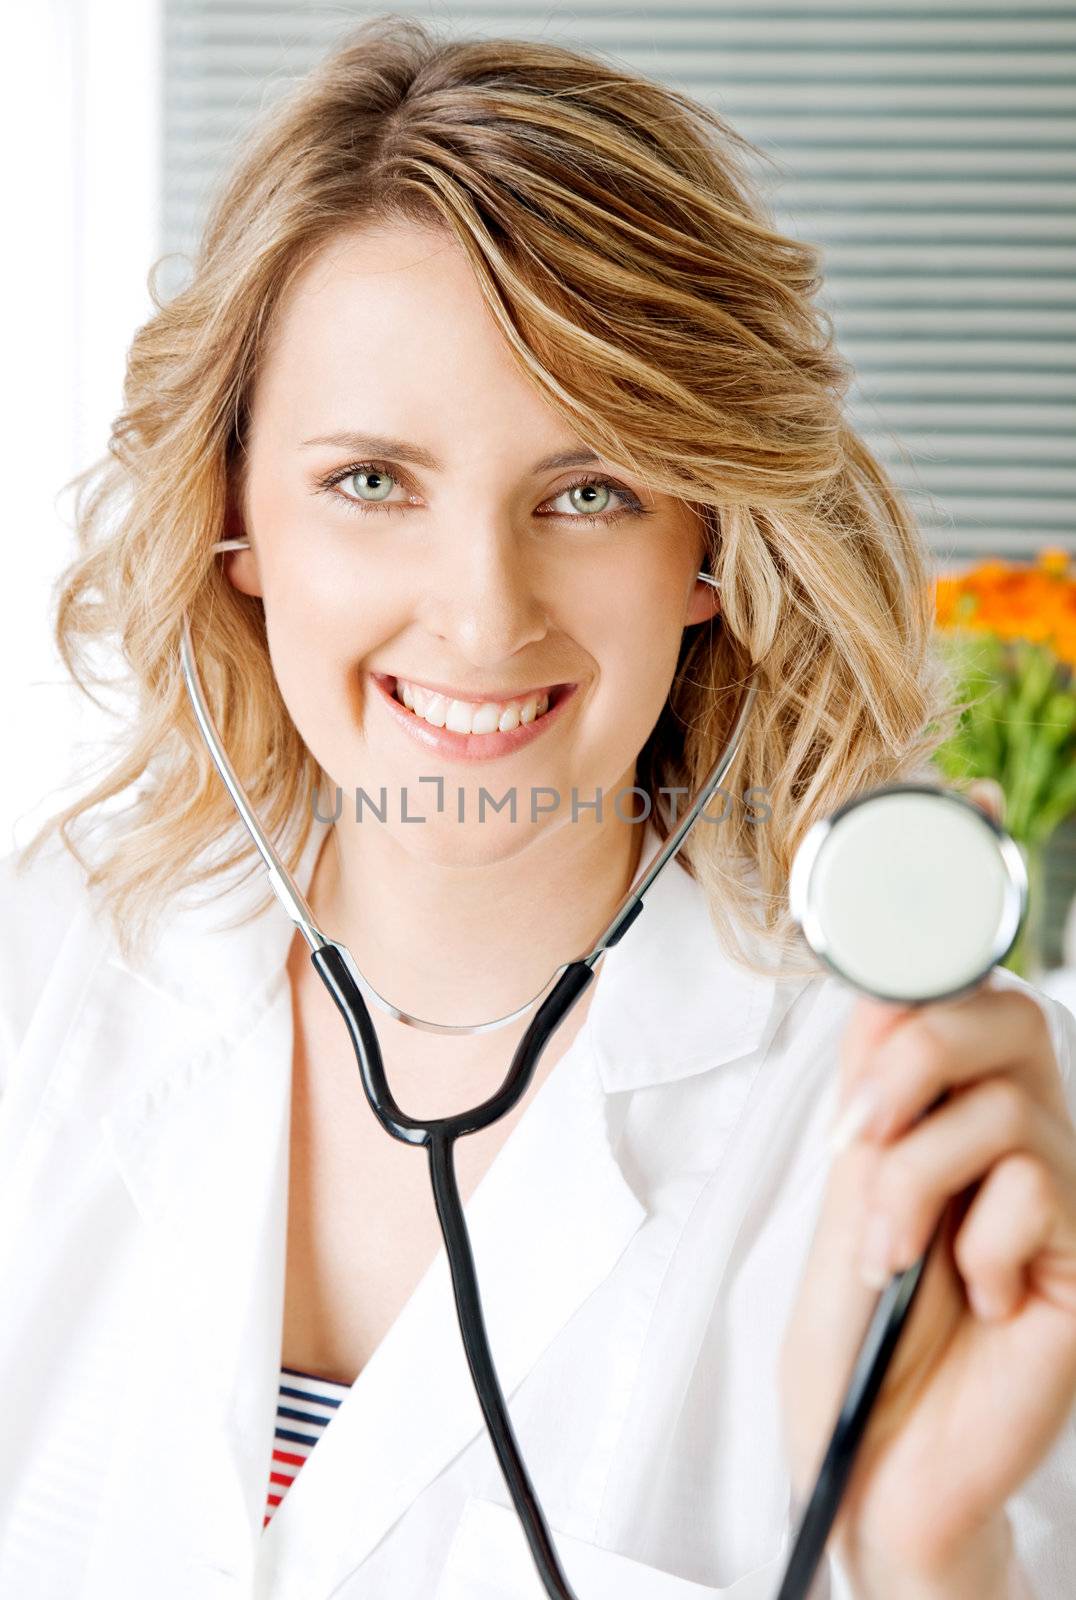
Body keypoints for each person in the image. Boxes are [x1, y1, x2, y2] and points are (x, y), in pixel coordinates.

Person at [1, 16, 1073, 1599]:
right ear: (238, 528)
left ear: (707, 546)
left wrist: (922, 1556)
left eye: (590, 493)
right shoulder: (39, 985)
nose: (483, 615)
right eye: (373, 480)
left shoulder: (940, 1136)